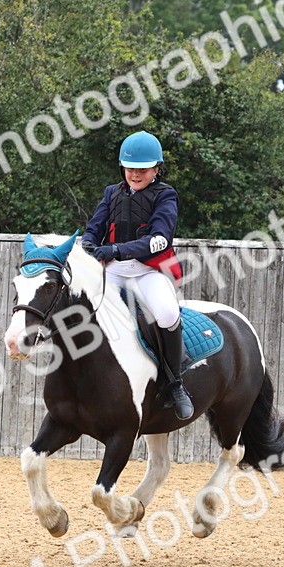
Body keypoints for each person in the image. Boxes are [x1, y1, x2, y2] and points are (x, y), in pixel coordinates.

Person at [81, 130, 193, 420]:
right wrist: (89, 243)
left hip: (148, 271)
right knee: (82, 308)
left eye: (142, 169)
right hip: (114, 271)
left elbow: (160, 239)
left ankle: (175, 384)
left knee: (167, 313)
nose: (135, 174)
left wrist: (116, 249)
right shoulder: (112, 193)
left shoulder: (165, 195)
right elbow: (95, 225)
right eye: (130, 168)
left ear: (156, 169)